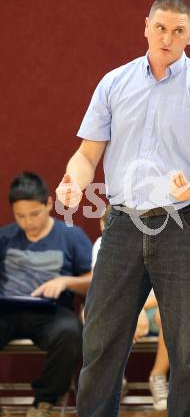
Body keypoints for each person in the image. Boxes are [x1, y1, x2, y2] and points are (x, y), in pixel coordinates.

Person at [56, 0, 190, 417]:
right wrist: (74, 183)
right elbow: (87, 155)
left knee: (188, 351)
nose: (168, 37)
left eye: (178, 30)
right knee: (101, 341)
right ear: (146, 27)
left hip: (186, 228)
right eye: (161, 27)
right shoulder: (114, 83)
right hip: (121, 225)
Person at [0, 172, 92, 417]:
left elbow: (94, 280)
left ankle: (44, 402)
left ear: (49, 204)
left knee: (71, 333)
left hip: (50, 313)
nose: (28, 222)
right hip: (7, 311)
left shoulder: (71, 236)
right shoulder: (5, 237)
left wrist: (65, 281)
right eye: (20, 216)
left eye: (34, 214)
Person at [90, 206, 170, 411]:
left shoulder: (156, 242)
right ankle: (114, 378)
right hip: (117, 309)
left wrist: (138, 308)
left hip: (152, 308)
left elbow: (165, 292)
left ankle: (158, 375)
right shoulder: (101, 246)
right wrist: (132, 311)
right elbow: (103, 292)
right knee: (89, 316)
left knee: (170, 315)